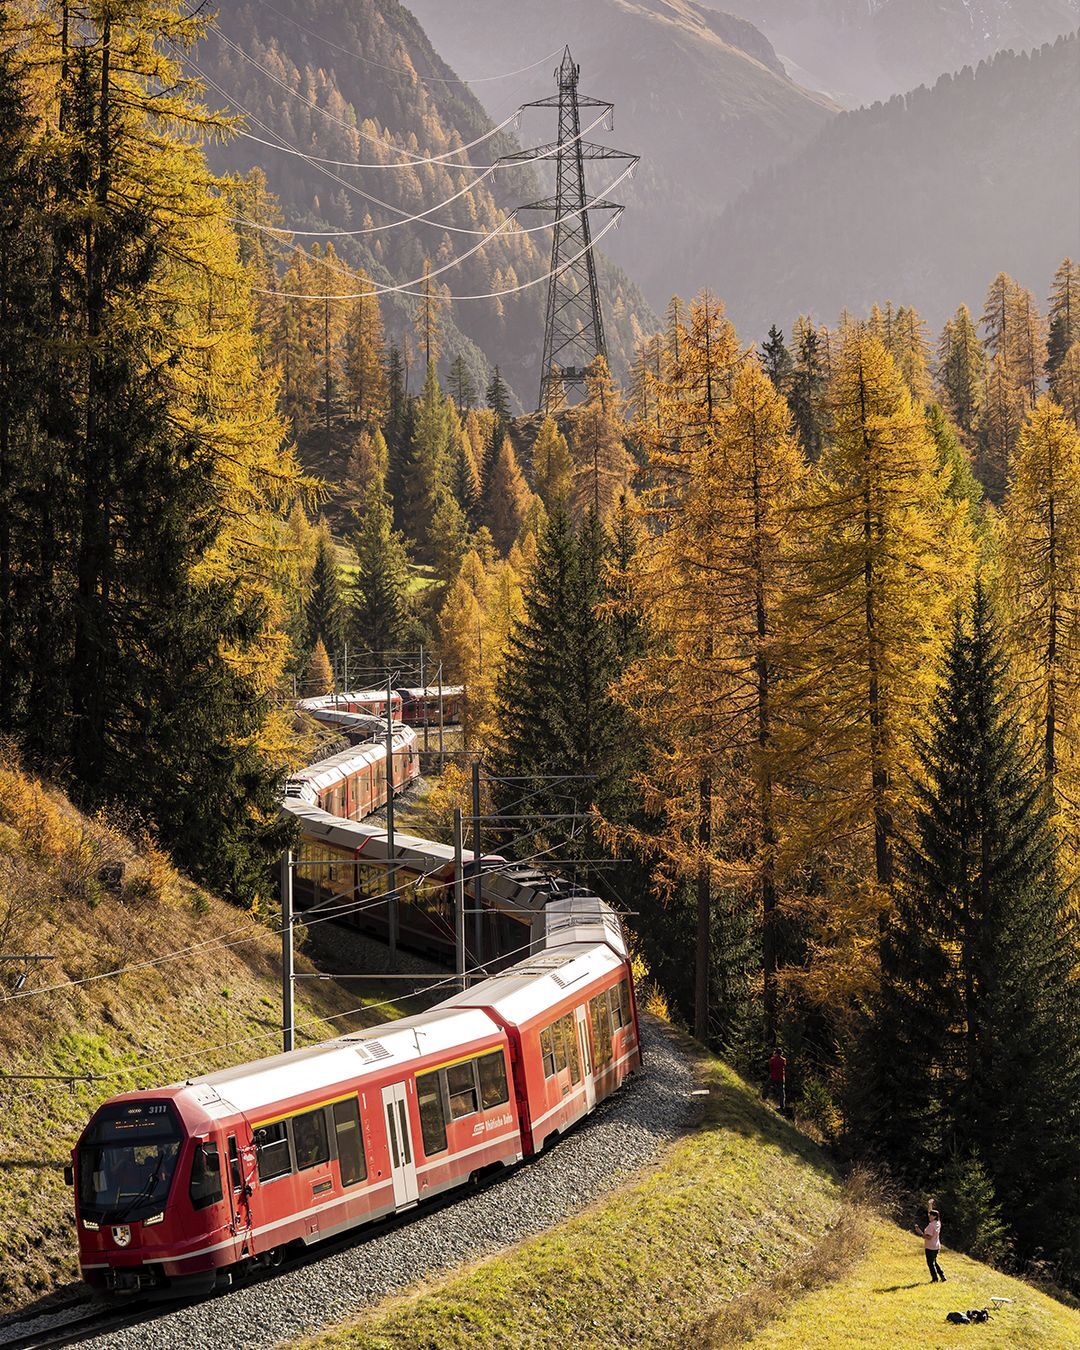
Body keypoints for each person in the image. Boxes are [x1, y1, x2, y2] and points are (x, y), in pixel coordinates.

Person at [920, 1208, 946, 1282]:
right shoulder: (938, 1223)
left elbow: (929, 1237)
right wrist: (929, 1205)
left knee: (931, 1264)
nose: (929, 1216)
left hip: (930, 1247)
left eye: (930, 1215)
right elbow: (930, 1212)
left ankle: (935, 1279)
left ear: (934, 1216)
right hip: (936, 1246)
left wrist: (921, 1233)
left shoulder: (931, 1225)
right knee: (934, 1261)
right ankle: (942, 1276)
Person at [767, 1047, 787, 1112]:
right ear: (781, 1053)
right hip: (781, 1078)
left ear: (775, 1053)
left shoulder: (772, 1059)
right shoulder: (783, 1060)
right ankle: (782, 1106)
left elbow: (770, 1066)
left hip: (773, 1076)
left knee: (767, 1086)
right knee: (782, 1092)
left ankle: (764, 1096)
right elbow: (784, 1066)